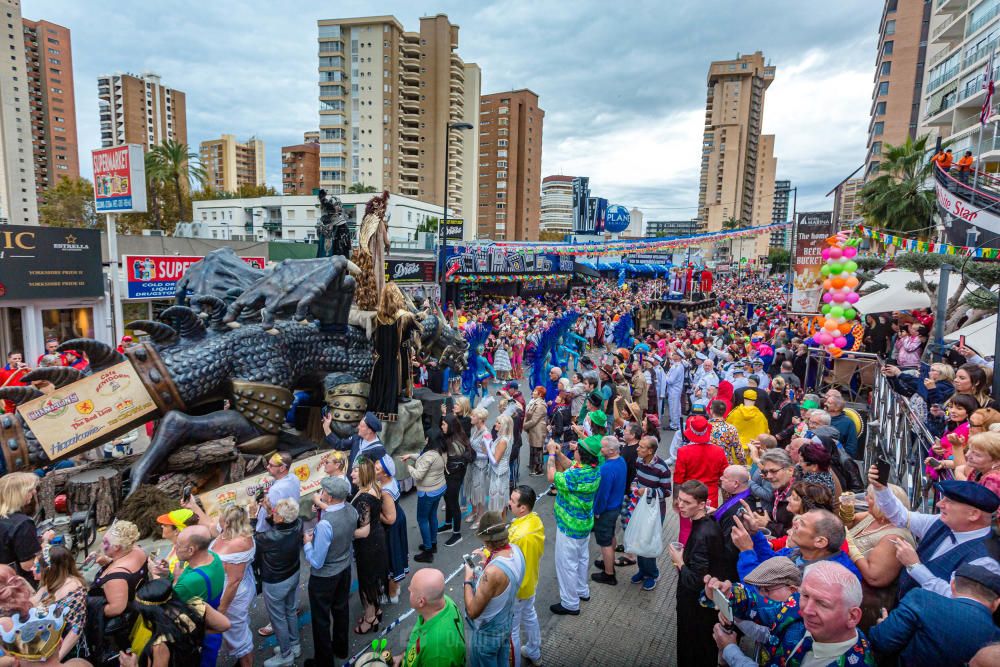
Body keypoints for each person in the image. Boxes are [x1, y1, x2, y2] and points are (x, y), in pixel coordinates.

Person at [867, 468, 999, 599]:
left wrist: (915, 566)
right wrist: (881, 489)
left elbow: (957, 600)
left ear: (973, 514)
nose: (939, 503)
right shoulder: (940, 522)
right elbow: (900, 516)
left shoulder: (986, 560)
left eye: (949, 501)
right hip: (905, 606)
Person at [712, 561, 875, 667]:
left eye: (823, 604)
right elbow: (762, 608)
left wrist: (729, 649)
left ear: (852, 616)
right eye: (805, 595)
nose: (806, 610)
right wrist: (729, 595)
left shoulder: (854, 662)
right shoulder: (797, 605)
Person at [868, 562, 1000, 667]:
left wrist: (885, 625)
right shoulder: (996, 639)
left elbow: (881, 641)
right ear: (996, 603)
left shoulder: (922, 599)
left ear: (952, 586)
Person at [667, 480, 726, 667]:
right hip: (703, 606)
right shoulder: (707, 521)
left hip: (695, 607)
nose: (680, 505)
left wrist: (680, 561)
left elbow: (695, 581)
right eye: (679, 500)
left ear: (701, 504)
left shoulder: (702, 534)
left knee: (692, 649)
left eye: (687, 502)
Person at [838, 484, 914, 629]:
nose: (866, 499)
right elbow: (849, 522)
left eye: (870, 497)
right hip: (847, 580)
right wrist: (846, 509)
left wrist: (850, 546)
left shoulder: (894, 537)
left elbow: (874, 577)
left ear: (883, 504)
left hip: (866, 601)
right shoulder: (874, 517)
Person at [303, 476, 358, 664]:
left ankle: (324, 661)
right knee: (341, 609)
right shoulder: (351, 510)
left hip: (324, 577)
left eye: (324, 491)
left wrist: (308, 545)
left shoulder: (325, 524)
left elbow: (317, 562)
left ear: (331, 496)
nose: (321, 493)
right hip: (344, 569)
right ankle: (341, 648)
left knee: (321, 619)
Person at [121, 575, 232, 667]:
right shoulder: (197, 606)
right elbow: (225, 625)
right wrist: (195, 630)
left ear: (150, 612)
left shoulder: (160, 645)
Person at [546, 434, 601, 615]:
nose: (574, 449)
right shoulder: (593, 469)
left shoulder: (575, 476)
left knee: (566, 564)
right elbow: (571, 466)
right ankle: (581, 590)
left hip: (569, 527)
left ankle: (570, 603)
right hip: (584, 525)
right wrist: (561, 454)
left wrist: (552, 455)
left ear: (581, 455)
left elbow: (552, 476)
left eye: (577, 449)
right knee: (581, 559)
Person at [463, 511, 526, 667]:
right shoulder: (516, 551)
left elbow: (472, 611)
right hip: (506, 623)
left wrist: (468, 580)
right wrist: (488, 562)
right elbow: (504, 584)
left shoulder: (492, 573)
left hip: (487, 634)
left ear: (487, 541)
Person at [733, 508, 861, 581]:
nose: (794, 523)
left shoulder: (828, 577)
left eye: (802, 524)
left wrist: (746, 551)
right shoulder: (798, 552)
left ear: (820, 541)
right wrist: (755, 534)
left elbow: (760, 597)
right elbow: (770, 564)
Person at [86, 520, 148, 660]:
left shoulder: (116, 577)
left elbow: (116, 608)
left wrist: (90, 606)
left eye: (105, 542)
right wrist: (106, 561)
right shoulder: (136, 549)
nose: (101, 545)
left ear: (117, 547)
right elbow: (123, 562)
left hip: (125, 622)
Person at [254, 498, 303, 667]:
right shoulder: (298, 523)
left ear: (281, 518)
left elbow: (254, 538)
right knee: (290, 610)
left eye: (275, 512)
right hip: (294, 573)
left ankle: (286, 655)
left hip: (275, 582)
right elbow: (280, 525)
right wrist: (269, 512)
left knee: (277, 619)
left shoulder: (268, 538)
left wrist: (254, 517)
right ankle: (295, 645)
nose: (273, 512)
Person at [172, 525, 225, 667]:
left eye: (178, 544)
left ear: (191, 550)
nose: (175, 547)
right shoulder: (213, 557)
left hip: (200, 634)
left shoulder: (190, 582)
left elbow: (171, 604)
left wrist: (176, 579)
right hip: (213, 626)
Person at [619, 435, 672, 575]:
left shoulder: (662, 468)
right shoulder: (639, 460)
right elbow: (637, 476)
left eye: (641, 447)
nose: (637, 449)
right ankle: (642, 571)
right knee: (638, 540)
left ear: (650, 451)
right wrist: (634, 484)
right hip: (638, 506)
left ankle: (652, 574)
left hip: (654, 510)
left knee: (647, 541)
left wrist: (647, 491)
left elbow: (667, 491)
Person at [210, 506, 256, 667]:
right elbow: (210, 527)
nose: (219, 521)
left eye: (221, 518)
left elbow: (234, 582)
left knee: (237, 633)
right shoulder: (227, 531)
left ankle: (246, 662)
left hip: (233, 596)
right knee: (236, 628)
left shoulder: (240, 543)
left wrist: (221, 610)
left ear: (228, 522)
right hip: (223, 589)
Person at [350, 457, 390, 633]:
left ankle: (370, 618)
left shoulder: (364, 498)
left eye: (355, 471)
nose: (351, 474)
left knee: (367, 582)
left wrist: (343, 533)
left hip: (368, 545)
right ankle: (376, 610)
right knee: (373, 580)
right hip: (376, 538)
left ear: (364, 473)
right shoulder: (372, 487)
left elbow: (363, 531)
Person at [396, 568, 465, 667]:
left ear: (421, 602)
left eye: (411, 590)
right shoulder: (444, 601)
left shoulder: (437, 652)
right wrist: (405, 657)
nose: (408, 589)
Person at [507, 486, 544, 667]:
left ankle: (514, 663)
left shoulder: (519, 535)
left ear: (523, 508)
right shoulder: (535, 520)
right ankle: (534, 652)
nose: (509, 503)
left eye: (513, 501)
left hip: (518, 588)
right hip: (531, 581)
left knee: (512, 630)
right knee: (530, 615)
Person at [32, 545, 87, 661]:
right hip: (45, 642)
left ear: (50, 570)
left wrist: (57, 660)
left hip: (62, 650)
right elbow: (32, 605)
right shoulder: (51, 582)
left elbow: (76, 629)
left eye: (36, 566)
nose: (31, 569)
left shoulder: (74, 591)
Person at [405, 429, 447, 563]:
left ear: (430, 439)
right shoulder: (441, 450)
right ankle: (433, 543)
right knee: (432, 516)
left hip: (427, 492)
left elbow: (418, 474)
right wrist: (411, 456)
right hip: (439, 488)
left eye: (427, 438)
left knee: (422, 519)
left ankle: (428, 551)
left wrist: (408, 467)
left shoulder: (430, 455)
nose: (425, 440)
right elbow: (425, 460)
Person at [714, 465, 761, 581]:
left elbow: (730, 546)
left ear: (736, 484)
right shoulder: (743, 496)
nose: (720, 478)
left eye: (724, 477)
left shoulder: (739, 511)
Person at [591, 436, 627, 585]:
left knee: (605, 542)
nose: (600, 449)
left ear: (611, 450)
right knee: (610, 535)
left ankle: (609, 573)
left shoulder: (606, 469)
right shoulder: (621, 461)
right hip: (616, 506)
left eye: (603, 447)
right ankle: (609, 562)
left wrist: (597, 511)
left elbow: (602, 495)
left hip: (607, 510)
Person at [0, 472, 44, 581]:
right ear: (17, 494)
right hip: (18, 582)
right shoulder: (22, 524)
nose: (34, 492)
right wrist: (45, 543)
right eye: (29, 490)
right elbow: (28, 565)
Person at [375, 455, 407, 603]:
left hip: (392, 527)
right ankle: (396, 586)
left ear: (385, 473)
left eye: (377, 469)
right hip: (399, 518)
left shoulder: (385, 492)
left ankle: (392, 592)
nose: (374, 470)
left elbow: (390, 519)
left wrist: (376, 513)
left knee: (392, 557)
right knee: (397, 554)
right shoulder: (391, 481)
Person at [440, 414, 471, 547]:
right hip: (449, 476)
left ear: (451, 426)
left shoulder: (455, 442)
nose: (442, 427)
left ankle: (457, 533)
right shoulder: (454, 436)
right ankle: (448, 524)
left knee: (453, 502)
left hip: (454, 477)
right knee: (447, 499)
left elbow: (457, 461)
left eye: (444, 425)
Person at [253, 452, 300, 533]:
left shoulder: (275, 490)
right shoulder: (294, 478)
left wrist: (258, 531)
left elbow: (264, 517)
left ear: (282, 468)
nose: (267, 467)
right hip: (291, 524)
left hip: (275, 531)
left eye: (271, 465)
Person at [322, 411, 387, 470]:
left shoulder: (379, 449)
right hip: (349, 478)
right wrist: (326, 427)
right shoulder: (357, 438)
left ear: (369, 431)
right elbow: (339, 445)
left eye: (361, 426)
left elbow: (377, 471)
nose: (358, 427)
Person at [148, 509, 194, 579]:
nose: (162, 526)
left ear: (176, 531)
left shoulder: (182, 557)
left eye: (165, 525)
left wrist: (153, 572)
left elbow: (174, 585)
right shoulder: (176, 545)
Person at [465, 407, 492, 528]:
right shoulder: (475, 429)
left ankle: (481, 516)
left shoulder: (486, 434)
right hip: (472, 464)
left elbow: (488, 455)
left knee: (479, 492)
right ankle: (474, 511)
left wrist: (473, 455)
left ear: (480, 419)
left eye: (474, 416)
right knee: (471, 489)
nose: (471, 417)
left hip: (480, 467)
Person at [487, 414, 513, 514]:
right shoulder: (503, 437)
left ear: (504, 426)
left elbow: (495, 461)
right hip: (500, 472)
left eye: (498, 423)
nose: (495, 424)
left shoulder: (503, 440)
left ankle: (499, 527)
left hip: (499, 474)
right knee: (500, 504)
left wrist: (487, 445)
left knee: (498, 504)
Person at [709, 399, 745, 466]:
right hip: (725, 464)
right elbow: (738, 450)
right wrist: (743, 464)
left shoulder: (705, 426)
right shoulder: (731, 428)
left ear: (711, 411)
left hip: (708, 464)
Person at [523, 387, 548, 476]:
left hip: (538, 430)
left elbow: (534, 420)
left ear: (540, 394)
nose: (533, 392)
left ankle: (538, 470)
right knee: (533, 448)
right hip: (534, 429)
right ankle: (532, 465)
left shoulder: (540, 405)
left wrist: (524, 426)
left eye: (535, 391)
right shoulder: (534, 402)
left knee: (537, 449)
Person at [825, 394, 859, 459]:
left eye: (828, 403)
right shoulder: (821, 416)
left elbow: (851, 447)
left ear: (837, 408)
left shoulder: (848, 423)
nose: (825, 404)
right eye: (826, 402)